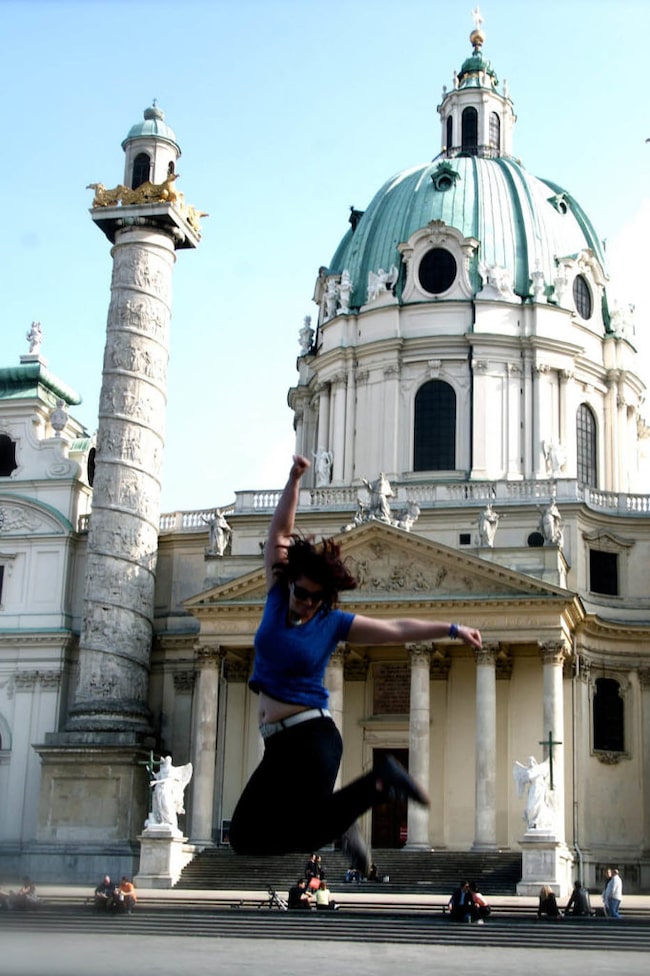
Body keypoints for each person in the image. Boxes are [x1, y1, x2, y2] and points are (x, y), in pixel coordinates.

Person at [228, 455, 482, 873]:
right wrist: (293, 480)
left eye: (315, 597)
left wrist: (452, 629)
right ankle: (345, 823)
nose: (306, 602)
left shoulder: (333, 623)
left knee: (306, 831)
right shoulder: (276, 599)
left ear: (325, 598)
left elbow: (397, 629)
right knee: (245, 836)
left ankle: (377, 784)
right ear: (290, 583)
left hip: (312, 738)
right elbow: (281, 533)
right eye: (301, 592)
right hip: (279, 744)